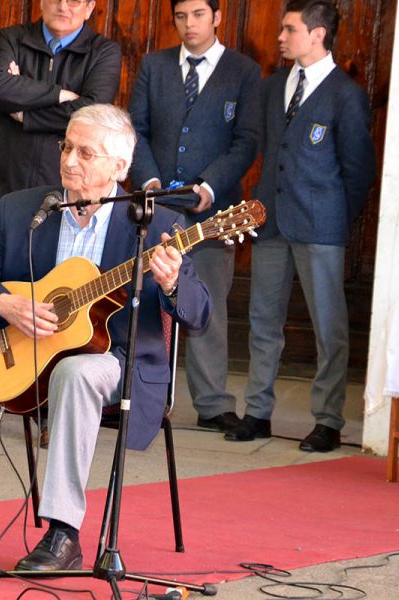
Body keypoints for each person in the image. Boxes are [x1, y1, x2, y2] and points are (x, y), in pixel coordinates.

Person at [0, 104, 211, 571]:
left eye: (85, 152)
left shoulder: (155, 225)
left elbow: (200, 313)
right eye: (66, 147)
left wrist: (172, 285)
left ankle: (63, 533)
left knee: (75, 372)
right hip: (21, 350)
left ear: (119, 166)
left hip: (112, 359)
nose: (70, 160)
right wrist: (4, 304)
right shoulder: (23, 208)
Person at [0, 0, 122, 431]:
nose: (62, 5)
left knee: (62, 299)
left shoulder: (103, 51)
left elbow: (90, 115)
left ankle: (46, 401)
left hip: (67, 196)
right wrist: (60, 97)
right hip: (4, 191)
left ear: (89, 7)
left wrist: (24, 110)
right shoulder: (13, 37)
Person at [230, 0, 375, 451]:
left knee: (328, 326)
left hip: (321, 227)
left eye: (289, 29)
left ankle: (328, 420)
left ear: (318, 35)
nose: (280, 37)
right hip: (271, 220)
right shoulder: (274, 87)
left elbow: (358, 171)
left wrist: (335, 217)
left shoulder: (346, 94)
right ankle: (258, 412)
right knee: (263, 321)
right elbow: (269, 152)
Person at [129, 0, 261, 435]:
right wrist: (148, 180)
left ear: (217, 17)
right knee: (149, 299)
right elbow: (138, 129)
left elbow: (245, 141)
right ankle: (142, 393)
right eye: (181, 17)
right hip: (157, 205)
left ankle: (212, 403)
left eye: (199, 15)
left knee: (207, 301)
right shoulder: (154, 64)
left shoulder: (243, 71)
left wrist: (210, 185)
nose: (190, 24)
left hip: (214, 208)